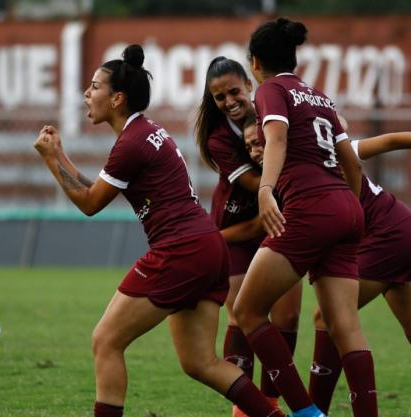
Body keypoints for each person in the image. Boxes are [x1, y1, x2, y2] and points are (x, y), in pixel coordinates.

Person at [33, 44, 285, 417]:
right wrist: (60, 155)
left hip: (180, 249)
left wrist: (52, 159)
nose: (87, 93)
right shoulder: (147, 132)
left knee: (106, 340)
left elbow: (89, 203)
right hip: (207, 246)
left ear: (117, 98)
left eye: (95, 86)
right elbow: (97, 191)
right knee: (200, 362)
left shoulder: (131, 143)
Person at [240, 117, 411, 416]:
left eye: (259, 141)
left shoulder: (321, 157)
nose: (254, 150)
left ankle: (316, 412)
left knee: (328, 318)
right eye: (249, 145)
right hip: (403, 229)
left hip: (386, 234)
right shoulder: (289, 170)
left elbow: (391, 140)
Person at [233, 18, 373, 417]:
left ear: (255, 62)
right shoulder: (321, 98)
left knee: (247, 311)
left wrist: (265, 189)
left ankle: (306, 413)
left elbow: (275, 138)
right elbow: (353, 166)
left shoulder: (271, 90)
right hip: (347, 207)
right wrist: (351, 211)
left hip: (310, 209)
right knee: (345, 327)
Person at [195, 56, 302, 416]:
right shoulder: (218, 138)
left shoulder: (274, 111)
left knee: (286, 318)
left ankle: (269, 401)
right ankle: (245, 411)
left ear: (250, 86)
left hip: (278, 223)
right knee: (242, 316)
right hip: (238, 231)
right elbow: (258, 187)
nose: (229, 102)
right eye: (219, 97)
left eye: (234, 91)